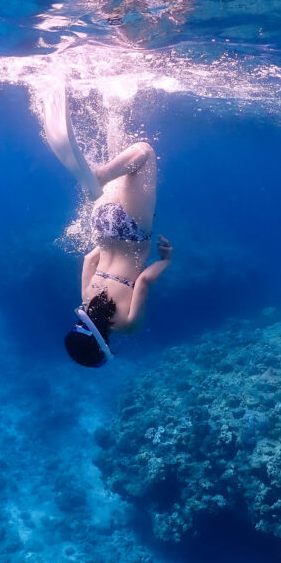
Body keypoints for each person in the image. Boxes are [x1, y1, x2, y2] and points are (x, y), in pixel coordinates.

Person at [40, 83, 172, 367]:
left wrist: (166, 260)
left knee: (144, 153)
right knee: (122, 166)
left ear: (103, 347)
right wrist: (110, 238)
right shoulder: (85, 299)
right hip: (101, 226)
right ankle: (114, 98)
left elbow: (146, 281)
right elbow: (90, 258)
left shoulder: (128, 324)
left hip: (133, 233)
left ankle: (99, 176)